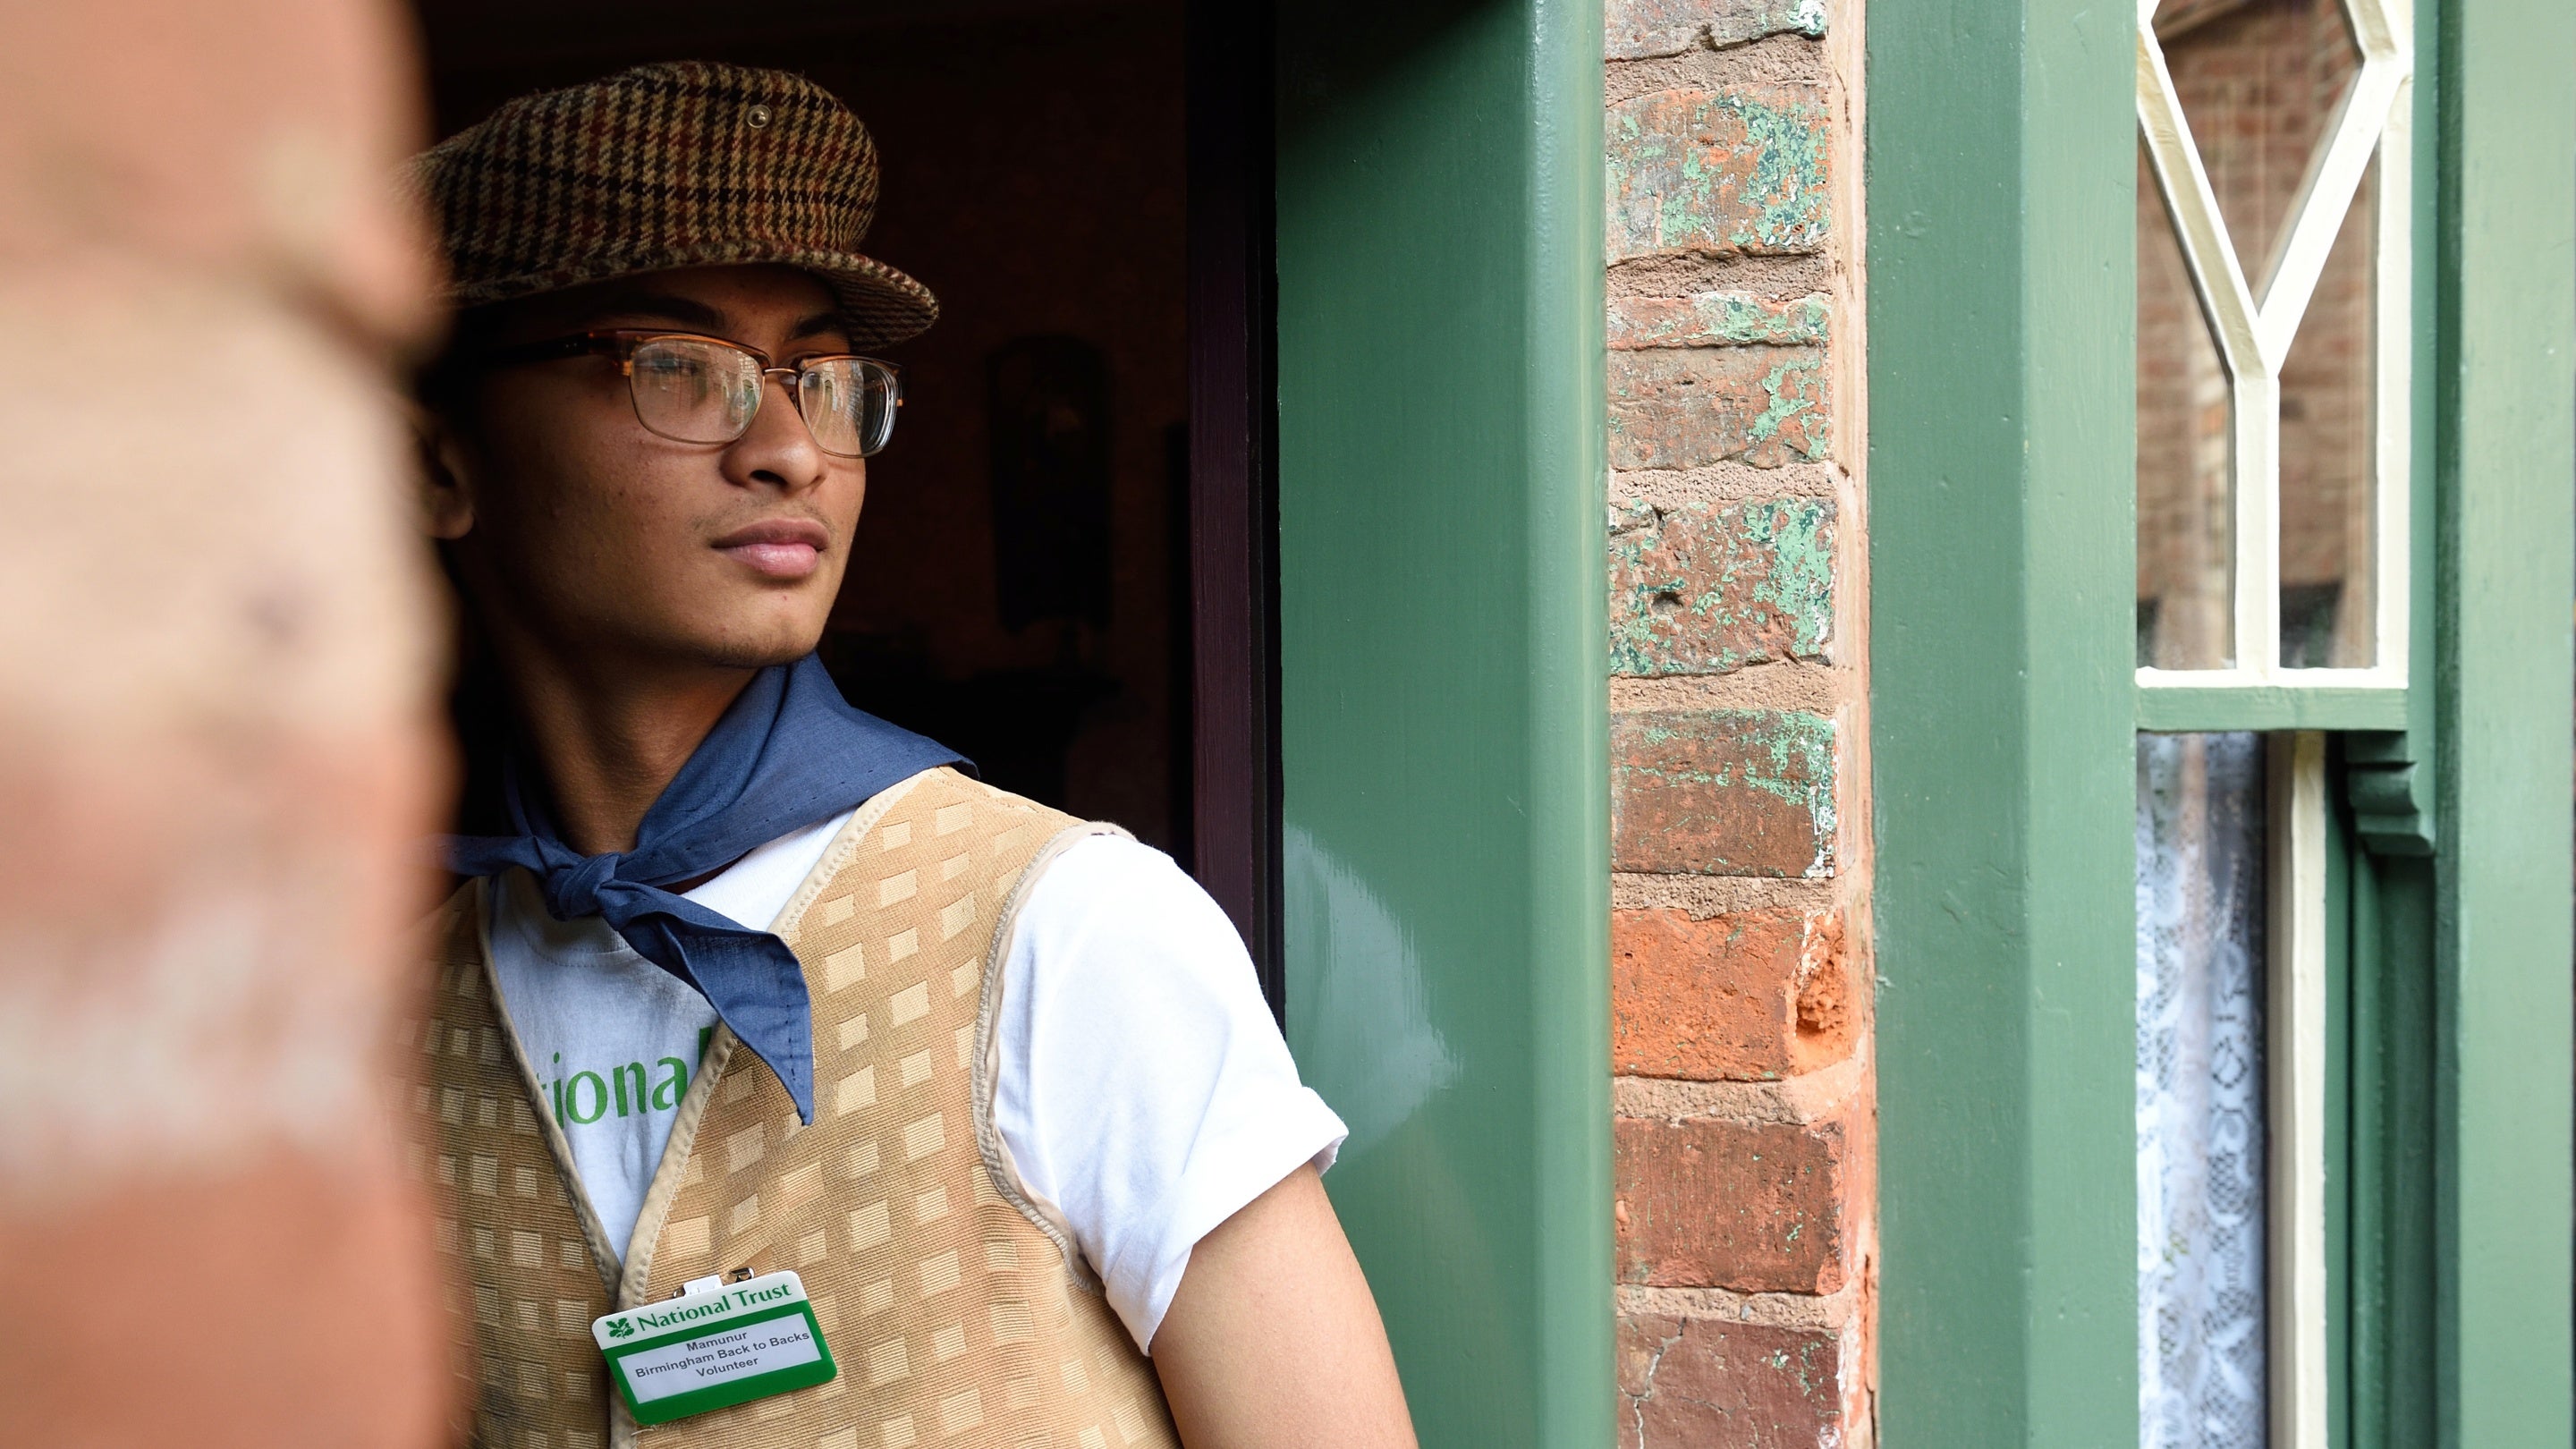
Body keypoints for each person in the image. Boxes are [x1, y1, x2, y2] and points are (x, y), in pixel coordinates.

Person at [405, 62, 1415, 1449]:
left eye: (821, 380)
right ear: (438, 468)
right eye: (676, 369)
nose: (788, 449)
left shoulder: (1068, 932)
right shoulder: (380, 1017)